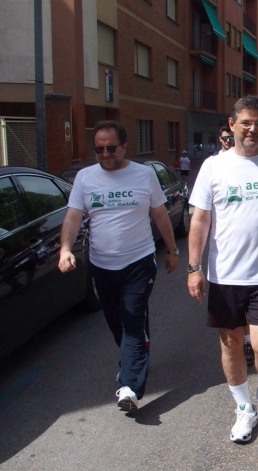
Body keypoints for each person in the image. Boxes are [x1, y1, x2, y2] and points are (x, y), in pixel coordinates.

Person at [187, 96, 258, 444]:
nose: (253, 129)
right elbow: (200, 220)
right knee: (231, 343)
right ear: (232, 124)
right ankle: (243, 408)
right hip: (224, 277)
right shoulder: (213, 167)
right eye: (247, 123)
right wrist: (194, 267)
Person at [58, 120, 179, 412]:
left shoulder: (143, 174)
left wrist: (173, 250)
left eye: (111, 148)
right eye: (99, 149)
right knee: (116, 322)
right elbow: (73, 217)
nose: (105, 154)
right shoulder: (85, 179)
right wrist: (64, 249)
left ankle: (130, 387)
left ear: (124, 146)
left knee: (132, 317)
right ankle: (134, 358)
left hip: (138, 262)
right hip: (102, 266)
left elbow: (160, 214)